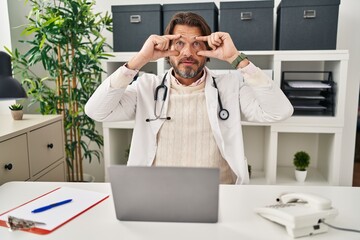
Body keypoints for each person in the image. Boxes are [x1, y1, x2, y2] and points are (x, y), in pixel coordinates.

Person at [85, 12, 293, 184]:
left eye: (196, 44)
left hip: (221, 194)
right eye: (179, 44)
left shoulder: (230, 87)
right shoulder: (147, 87)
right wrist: (140, 60)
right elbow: (96, 111)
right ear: (166, 50)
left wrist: (235, 59)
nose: (187, 52)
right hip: (157, 193)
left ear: (208, 50)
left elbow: (280, 111)